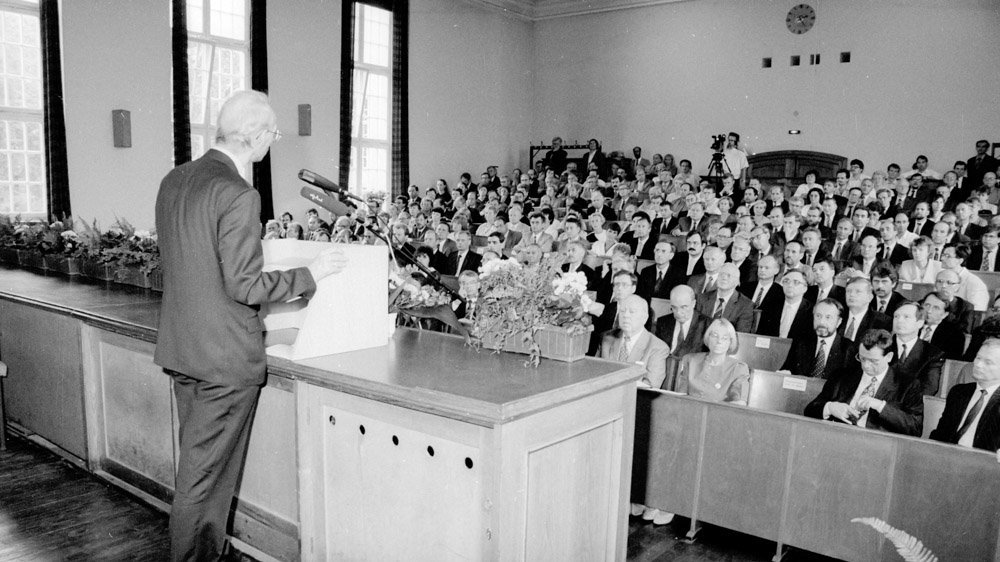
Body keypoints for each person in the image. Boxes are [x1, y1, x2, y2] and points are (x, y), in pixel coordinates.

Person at [154, 91, 348, 561]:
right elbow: (244, 285)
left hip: (185, 351)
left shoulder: (175, 179)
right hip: (224, 362)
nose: (273, 142)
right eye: (274, 134)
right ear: (256, 136)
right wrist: (311, 274)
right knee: (203, 482)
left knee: (201, 474)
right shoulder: (239, 193)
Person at [803, 329, 923, 436]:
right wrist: (830, 407)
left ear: (889, 357)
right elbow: (810, 410)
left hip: (878, 448)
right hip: (838, 438)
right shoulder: (841, 376)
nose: (866, 366)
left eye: (873, 361)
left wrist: (881, 406)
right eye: (862, 358)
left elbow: (915, 428)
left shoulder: (908, 385)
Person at [930, 337, 1000, 452]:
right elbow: (941, 434)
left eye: (988, 362)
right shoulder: (958, 392)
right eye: (978, 358)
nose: (978, 364)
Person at [598, 295, 669, 388]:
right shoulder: (607, 338)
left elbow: (651, 385)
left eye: (632, 312)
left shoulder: (658, 347)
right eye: (622, 311)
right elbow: (596, 374)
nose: (626, 315)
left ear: (644, 318)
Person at [676, 318, 751, 404]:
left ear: (731, 342)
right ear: (708, 338)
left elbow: (740, 403)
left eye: (725, 338)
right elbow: (680, 396)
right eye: (715, 335)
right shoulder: (690, 360)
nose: (719, 341)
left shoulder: (739, 368)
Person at [780, 298, 855, 378]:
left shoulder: (848, 349)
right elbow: (787, 369)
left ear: (839, 322)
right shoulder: (801, 342)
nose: (821, 322)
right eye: (818, 316)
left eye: (828, 317)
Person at [889, 301, 944, 395]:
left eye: (906, 317)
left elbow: (929, 389)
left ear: (920, 323)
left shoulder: (932, 353)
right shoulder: (882, 345)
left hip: (909, 406)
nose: (899, 321)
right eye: (896, 316)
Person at [655, 285, 709, 379]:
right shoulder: (663, 322)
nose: (678, 312)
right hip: (665, 373)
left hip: (691, 376)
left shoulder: (707, 325)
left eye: (684, 307)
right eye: (674, 307)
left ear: (693, 303)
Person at [757, 266, 813, 338]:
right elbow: (761, 334)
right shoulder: (770, 306)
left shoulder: (811, 311)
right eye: (786, 281)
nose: (790, 285)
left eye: (796, 282)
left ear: (805, 288)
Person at [697, 263, 754, 332]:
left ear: (737, 282)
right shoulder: (702, 298)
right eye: (721, 274)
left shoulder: (745, 305)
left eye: (729, 275)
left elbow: (741, 335)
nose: (724, 278)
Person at [919, 292, 967, 360]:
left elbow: (949, 363)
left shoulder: (955, 335)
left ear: (945, 314)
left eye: (936, 308)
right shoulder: (911, 325)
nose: (929, 311)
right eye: (927, 305)